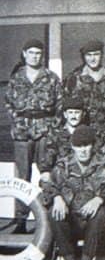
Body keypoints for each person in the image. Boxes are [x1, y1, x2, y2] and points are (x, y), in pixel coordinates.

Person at [42, 125, 105, 260]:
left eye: (87, 145)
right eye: (79, 146)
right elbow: (47, 184)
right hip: (71, 220)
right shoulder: (63, 165)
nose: (83, 150)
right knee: (53, 212)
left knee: (101, 213)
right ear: (73, 147)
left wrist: (99, 199)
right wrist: (57, 197)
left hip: (93, 223)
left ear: (93, 146)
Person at [5, 39, 62, 232]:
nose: (35, 56)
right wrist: (18, 121)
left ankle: (48, 219)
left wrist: (52, 128)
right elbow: (8, 103)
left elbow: (59, 107)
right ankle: (21, 220)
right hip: (22, 133)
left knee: (47, 174)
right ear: (24, 54)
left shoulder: (51, 78)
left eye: (38, 53)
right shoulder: (16, 78)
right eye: (31, 52)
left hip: (44, 131)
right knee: (22, 177)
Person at [63, 40, 105, 132]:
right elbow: (64, 107)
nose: (92, 59)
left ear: (102, 55)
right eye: (89, 55)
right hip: (83, 132)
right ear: (84, 57)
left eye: (96, 54)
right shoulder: (74, 79)